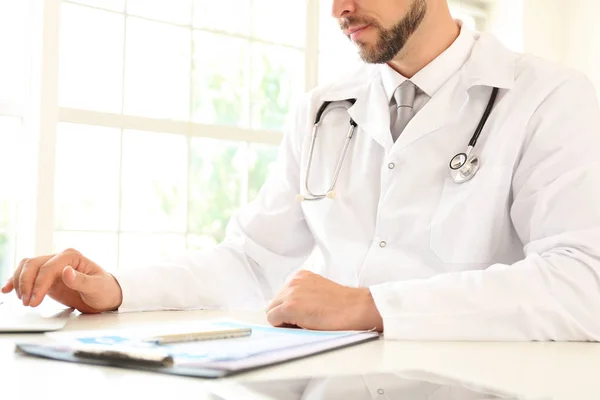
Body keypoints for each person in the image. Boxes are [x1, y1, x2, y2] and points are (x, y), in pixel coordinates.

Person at [3, 0, 600, 341]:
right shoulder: (324, 107)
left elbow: (584, 286)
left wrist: (371, 306)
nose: (339, 8)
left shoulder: (550, 98)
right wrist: (115, 290)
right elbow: (252, 259)